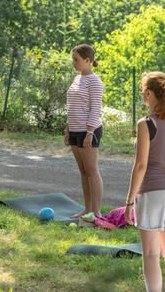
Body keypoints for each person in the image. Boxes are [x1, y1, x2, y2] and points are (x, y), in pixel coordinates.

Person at [125, 72, 165, 292]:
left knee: (151, 254)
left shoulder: (146, 123)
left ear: (149, 93)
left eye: (143, 90)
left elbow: (141, 165)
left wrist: (129, 201)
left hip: (152, 193)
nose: (142, 94)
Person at [64, 43, 104, 218]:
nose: (74, 63)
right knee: (83, 171)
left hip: (88, 131)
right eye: (73, 59)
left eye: (77, 60)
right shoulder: (77, 79)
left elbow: (96, 108)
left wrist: (90, 132)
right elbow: (72, 106)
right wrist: (68, 129)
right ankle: (87, 209)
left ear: (88, 60)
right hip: (74, 130)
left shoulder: (95, 81)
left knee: (91, 171)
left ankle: (96, 212)